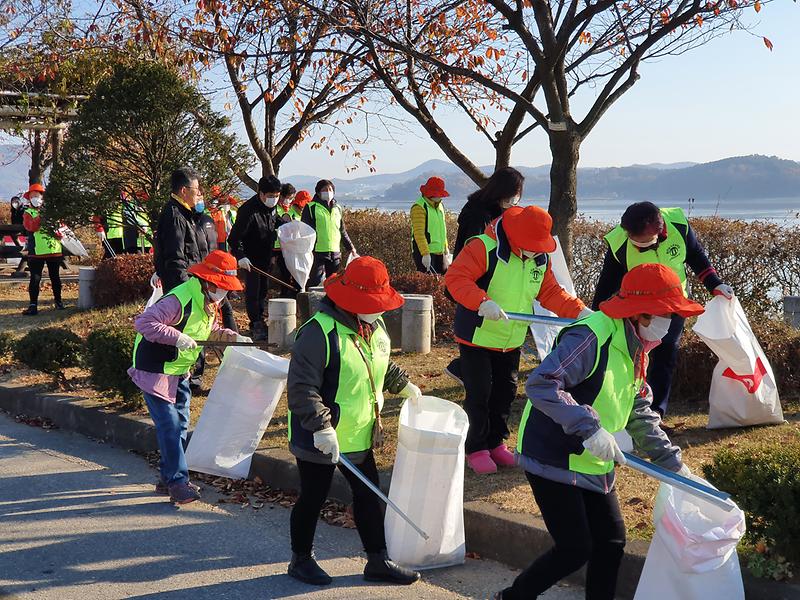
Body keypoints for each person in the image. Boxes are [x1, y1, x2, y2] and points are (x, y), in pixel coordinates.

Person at [496, 263, 698, 600]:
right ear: (642, 315)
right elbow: (541, 384)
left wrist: (673, 465)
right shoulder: (591, 335)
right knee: (576, 547)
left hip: (594, 458)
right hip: (553, 452)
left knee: (612, 541)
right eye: (667, 315)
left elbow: (636, 409)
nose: (672, 324)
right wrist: (589, 428)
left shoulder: (637, 347)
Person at [287, 256, 422, 587]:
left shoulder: (372, 324)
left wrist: (402, 383)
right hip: (320, 436)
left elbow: (377, 362)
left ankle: (377, 560)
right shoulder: (318, 333)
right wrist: (321, 428)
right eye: (373, 304)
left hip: (359, 431)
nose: (380, 310)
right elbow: (302, 388)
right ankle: (300, 560)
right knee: (313, 496)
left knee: (367, 495)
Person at [445, 206, 592, 474]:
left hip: (511, 337)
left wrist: (580, 311)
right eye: (530, 246)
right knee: (479, 393)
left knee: (506, 392)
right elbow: (456, 278)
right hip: (477, 336)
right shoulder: (483, 247)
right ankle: (476, 447)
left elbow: (550, 293)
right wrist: (481, 301)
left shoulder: (540, 259)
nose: (535, 251)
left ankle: (496, 442)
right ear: (514, 236)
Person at [591, 201, 733, 416]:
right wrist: (595, 316)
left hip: (673, 304)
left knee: (666, 355)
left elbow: (696, 256)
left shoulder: (678, 224)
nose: (639, 247)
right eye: (635, 243)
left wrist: (716, 285)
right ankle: (628, 410)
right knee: (634, 358)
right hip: (638, 310)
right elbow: (607, 282)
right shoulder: (619, 241)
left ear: (659, 231)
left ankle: (655, 413)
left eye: (645, 244)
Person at [129, 250, 248, 504]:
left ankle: (167, 478)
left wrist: (232, 337)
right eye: (221, 287)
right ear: (207, 281)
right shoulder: (180, 298)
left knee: (181, 424)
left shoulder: (208, 301)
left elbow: (208, 330)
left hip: (180, 369)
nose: (224, 293)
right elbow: (145, 323)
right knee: (170, 426)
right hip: (155, 368)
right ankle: (178, 482)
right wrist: (177, 337)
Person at [445, 167, 525, 384]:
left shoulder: (499, 211)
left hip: (491, 279)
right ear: (503, 190)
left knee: (485, 331)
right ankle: (463, 368)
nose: (516, 199)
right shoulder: (478, 214)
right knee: (475, 330)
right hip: (476, 280)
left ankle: (465, 369)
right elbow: (475, 251)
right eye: (514, 193)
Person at [228, 175, 281, 341]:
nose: (274, 199)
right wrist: (241, 256)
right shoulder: (248, 210)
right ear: (262, 194)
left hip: (266, 256)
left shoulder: (272, 208)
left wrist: (284, 224)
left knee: (263, 290)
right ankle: (255, 322)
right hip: (250, 259)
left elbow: (271, 226)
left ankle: (260, 318)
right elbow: (234, 238)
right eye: (271, 196)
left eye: (277, 196)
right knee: (253, 291)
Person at [153, 167, 205, 293]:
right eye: (196, 189)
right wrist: (187, 289)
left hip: (190, 281)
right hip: (182, 287)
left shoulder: (184, 212)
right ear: (184, 190)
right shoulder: (175, 216)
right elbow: (175, 258)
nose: (199, 193)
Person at [302, 179, 357, 288]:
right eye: (325, 190)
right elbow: (305, 231)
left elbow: (342, 230)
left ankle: (330, 305)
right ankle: (309, 303)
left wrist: (351, 247)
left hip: (335, 252)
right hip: (317, 252)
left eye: (330, 189)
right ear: (318, 192)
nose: (328, 192)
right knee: (315, 282)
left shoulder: (338, 208)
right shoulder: (311, 207)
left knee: (333, 283)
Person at [21, 183, 64, 315]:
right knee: (35, 278)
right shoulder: (28, 213)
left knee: (55, 277)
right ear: (29, 199)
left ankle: (58, 302)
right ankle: (33, 305)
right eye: (33, 196)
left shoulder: (53, 212)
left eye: (37, 195)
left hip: (54, 250)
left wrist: (59, 231)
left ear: (42, 197)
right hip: (37, 251)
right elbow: (31, 227)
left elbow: (61, 229)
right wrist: (42, 216)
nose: (35, 198)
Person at [410, 176, 451, 274]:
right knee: (427, 284)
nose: (440, 197)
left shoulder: (440, 206)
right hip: (425, 254)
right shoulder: (419, 207)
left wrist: (446, 248)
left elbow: (442, 229)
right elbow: (418, 233)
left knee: (443, 283)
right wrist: (425, 254)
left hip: (440, 253)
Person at [274, 182, 301, 297]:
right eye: (288, 198)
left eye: (292, 198)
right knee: (283, 273)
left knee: (291, 272)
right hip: (276, 246)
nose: (289, 200)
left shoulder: (291, 209)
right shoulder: (275, 209)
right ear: (281, 196)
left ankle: (290, 295)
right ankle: (283, 295)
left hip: (290, 246)